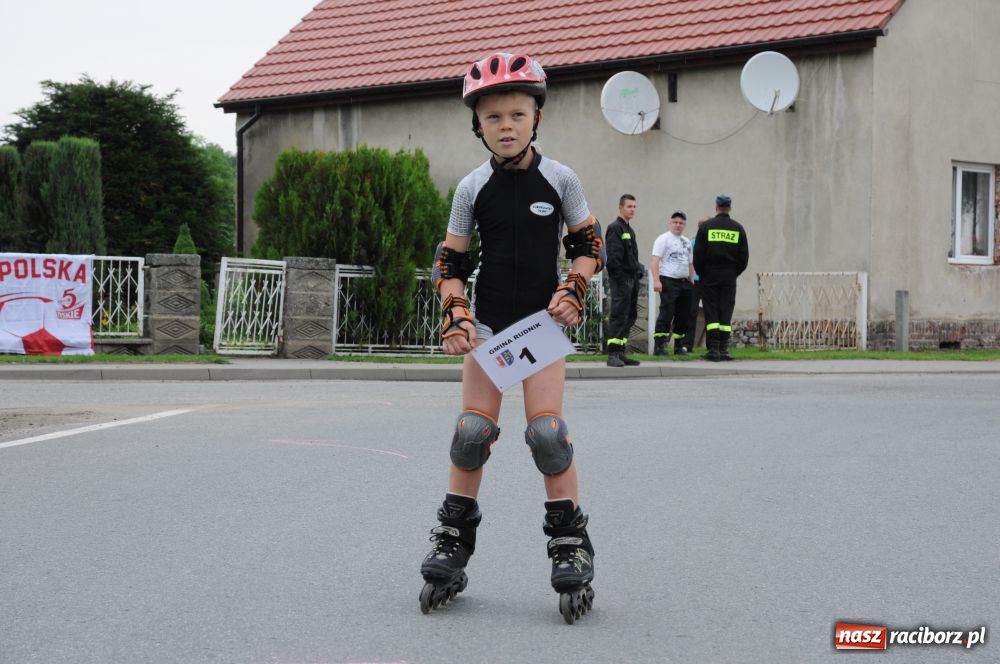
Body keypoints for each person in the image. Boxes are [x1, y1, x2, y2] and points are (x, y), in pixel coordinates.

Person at [420, 52, 602, 623]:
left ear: (536, 118)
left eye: (517, 114)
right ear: (478, 125)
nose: (506, 126)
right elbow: (450, 262)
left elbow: (588, 244)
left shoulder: (562, 179)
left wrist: (575, 286)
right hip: (490, 330)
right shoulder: (471, 187)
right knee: (471, 434)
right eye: (493, 117)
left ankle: (571, 545)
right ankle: (452, 542)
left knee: (548, 436)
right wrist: (456, 313)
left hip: (541, 328)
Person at [693, 195, 749, 361]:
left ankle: (714, 349)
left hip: (709, 275)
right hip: (729, 276)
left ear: (716, 207)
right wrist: (733, 272)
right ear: (729, 208)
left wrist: (703, 274)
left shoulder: (706, 227)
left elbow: (697, 255)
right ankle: (724, 349)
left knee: (711, 311)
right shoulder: (738, 228)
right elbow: (744, 258)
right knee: (726, 310)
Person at [604, 194, 644, 367]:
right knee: (619, 315)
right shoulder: (615, 228)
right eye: (629, 206)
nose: (632, 209)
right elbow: (613, 259)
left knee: (630, 315)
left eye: (634, 206)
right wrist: (621, 280)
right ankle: (612, 354)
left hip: (632, 280)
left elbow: (631, 257)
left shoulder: (629, 230)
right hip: (621, 280)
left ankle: (620, 352)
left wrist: (638, 268)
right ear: (620, 208)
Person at [650, 211, 694, 355]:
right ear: (670, 223)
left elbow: (690, 263)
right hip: (668, 280)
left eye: (681, 223)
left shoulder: (686, 242)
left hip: (684, 282)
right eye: (675, 222)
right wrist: (656, 280)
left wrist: (691, 281)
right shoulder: (663, 239)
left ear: (684, 225)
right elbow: (655, 261)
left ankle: (678, 346)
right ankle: (659, 346)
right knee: (667, 313)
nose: (678, 225)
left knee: (683, 315)